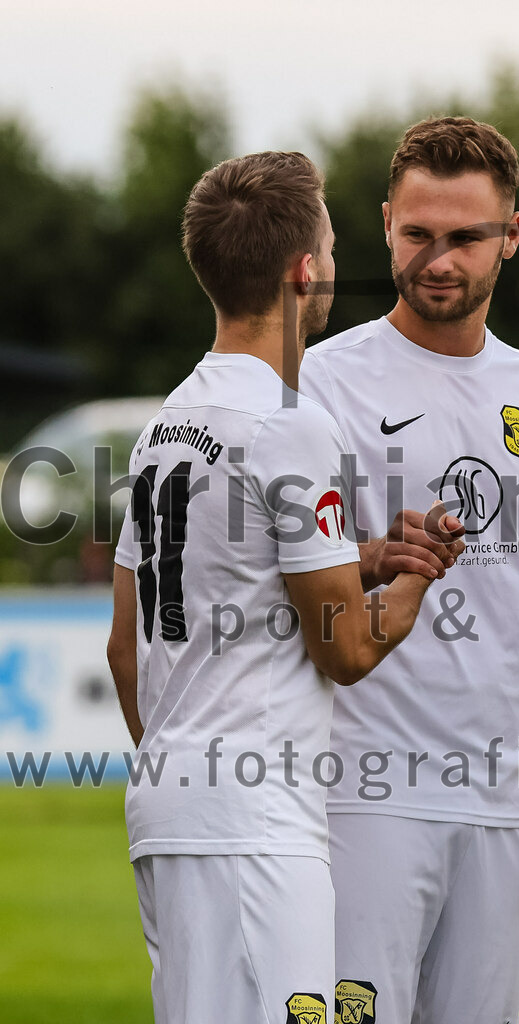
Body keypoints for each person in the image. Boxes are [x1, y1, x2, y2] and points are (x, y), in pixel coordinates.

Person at [299, 116, 519, 1024]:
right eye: (418, 235)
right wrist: (373, 559)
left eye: (465, 237)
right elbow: (265, 576)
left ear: (512, 237)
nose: (438, 259)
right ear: (383, 225)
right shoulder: (321, 382)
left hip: (496, 800)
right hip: (356, 799)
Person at [106, 150, 452, 1024]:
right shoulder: (290, 425)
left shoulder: (165, 425)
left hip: (167, 806)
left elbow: (126, 643)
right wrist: (418, 576)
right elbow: (347, 649)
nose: (334, 266)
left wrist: (361, 556)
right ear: (305, 271)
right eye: (331, 248)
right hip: (256, 820)